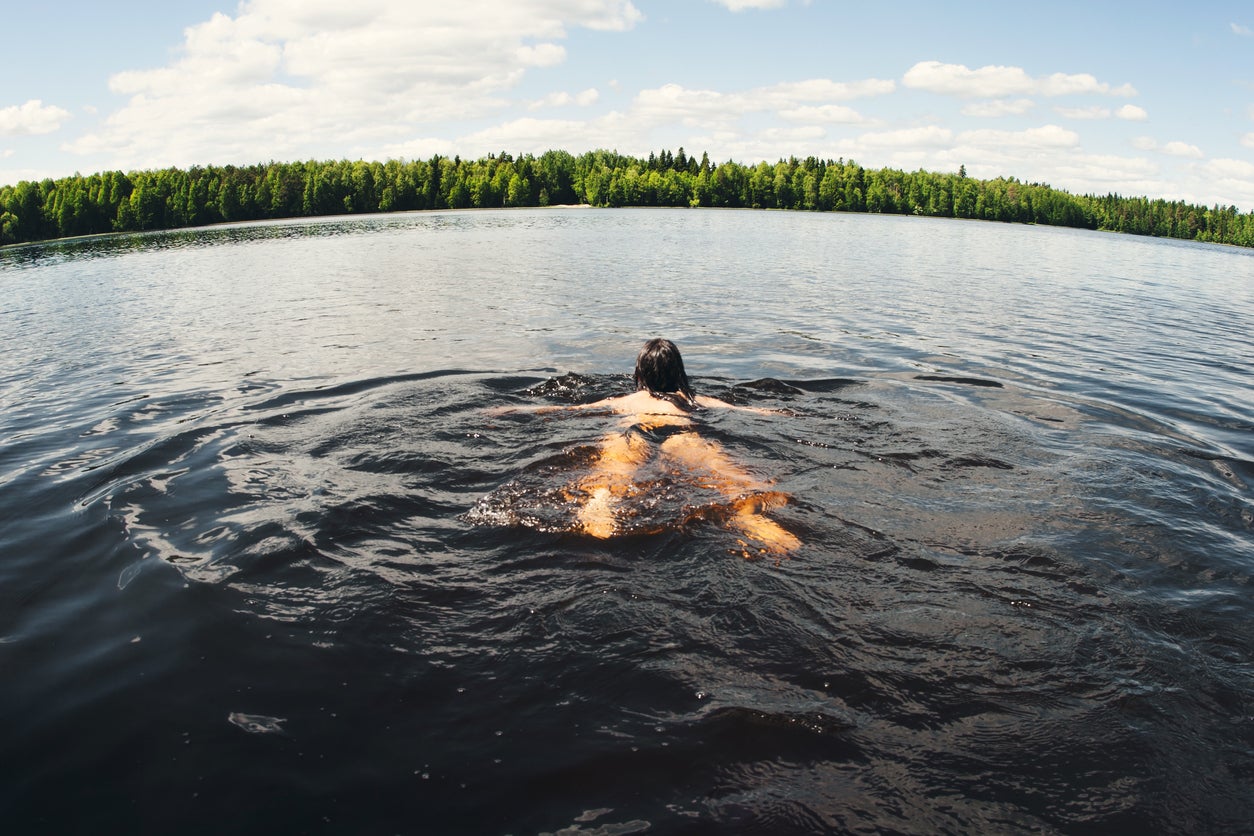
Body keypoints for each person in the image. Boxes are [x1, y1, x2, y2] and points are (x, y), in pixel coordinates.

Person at [495, 338, 799, 556]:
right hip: (684, 435)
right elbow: (752, 412)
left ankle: (598, 505)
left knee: (611, 476)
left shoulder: (627, 401)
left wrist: (511, 411)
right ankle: (750, 518)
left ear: (639, 374)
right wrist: (785, 413)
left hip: (634, 433)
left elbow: (567, 411)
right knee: (729, 481)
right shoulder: (696, 402)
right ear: (679, 373)